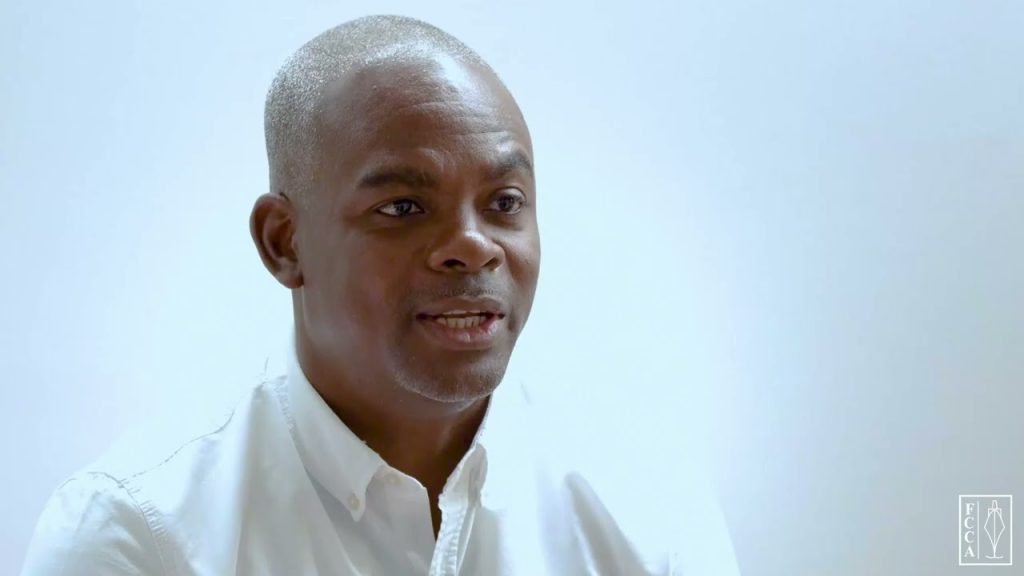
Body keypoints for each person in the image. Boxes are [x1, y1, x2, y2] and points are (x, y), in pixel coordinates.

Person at [22, 15, 738, 575]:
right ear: (284, 243)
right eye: (403, 207)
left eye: (505, 202)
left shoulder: (648, 509)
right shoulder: (135, 537)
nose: (473, 246)